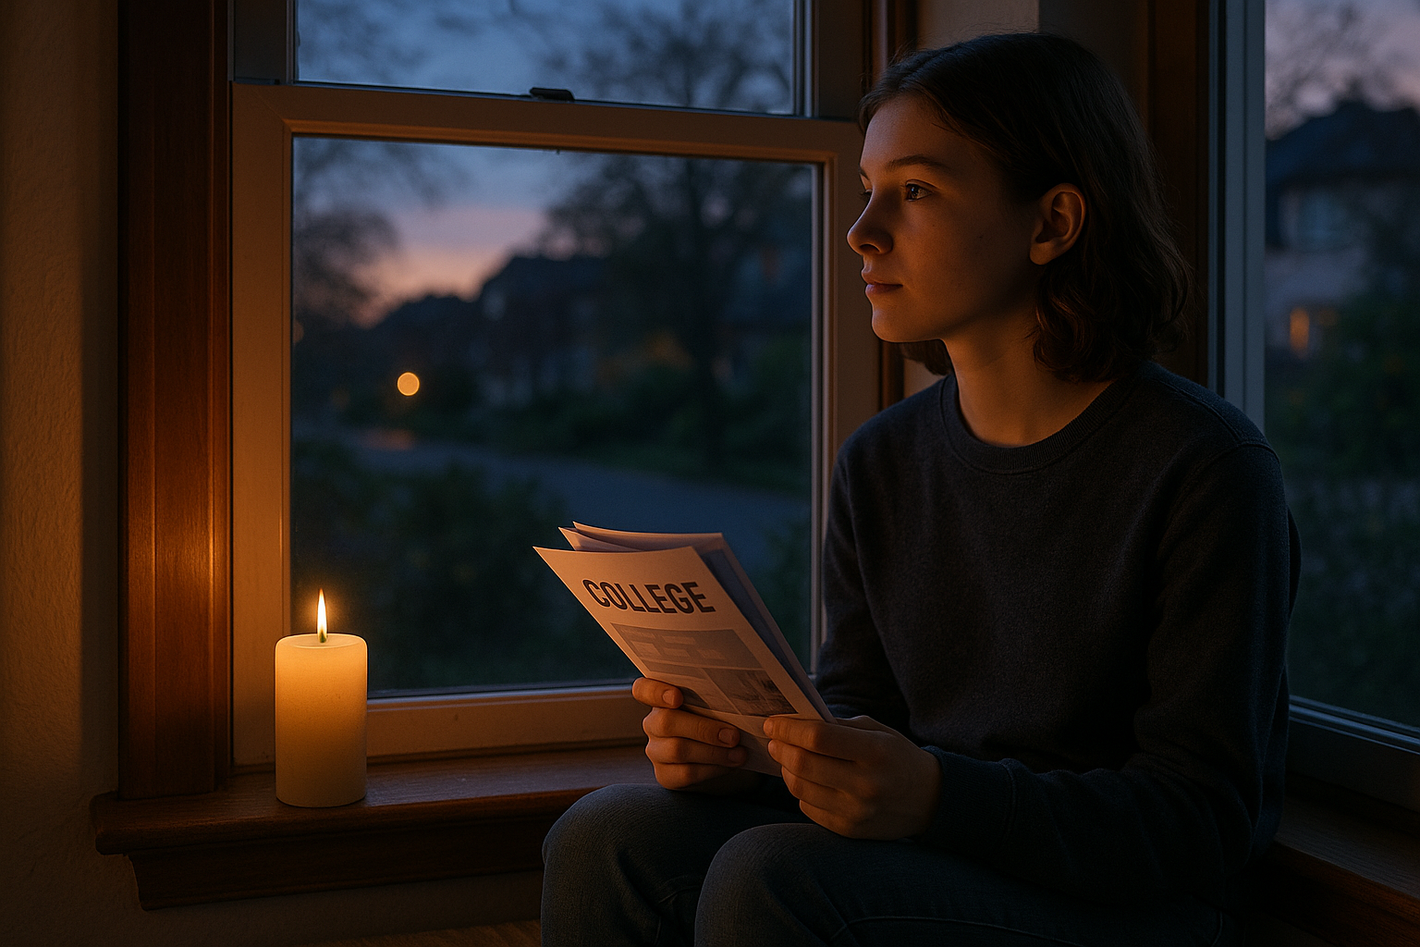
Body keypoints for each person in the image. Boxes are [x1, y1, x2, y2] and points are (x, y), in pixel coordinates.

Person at [540, 32, 1298, 947]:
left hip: (1132, 904)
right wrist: (751, 758)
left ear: (1052, 224)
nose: (861, 230)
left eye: (916, 191)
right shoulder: (881, 460)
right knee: (606, 836)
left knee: (768, 879)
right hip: (942, 850)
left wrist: (940, 795)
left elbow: (1202, 819)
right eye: (867, 188)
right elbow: (863, 711)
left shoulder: (1206, 468)